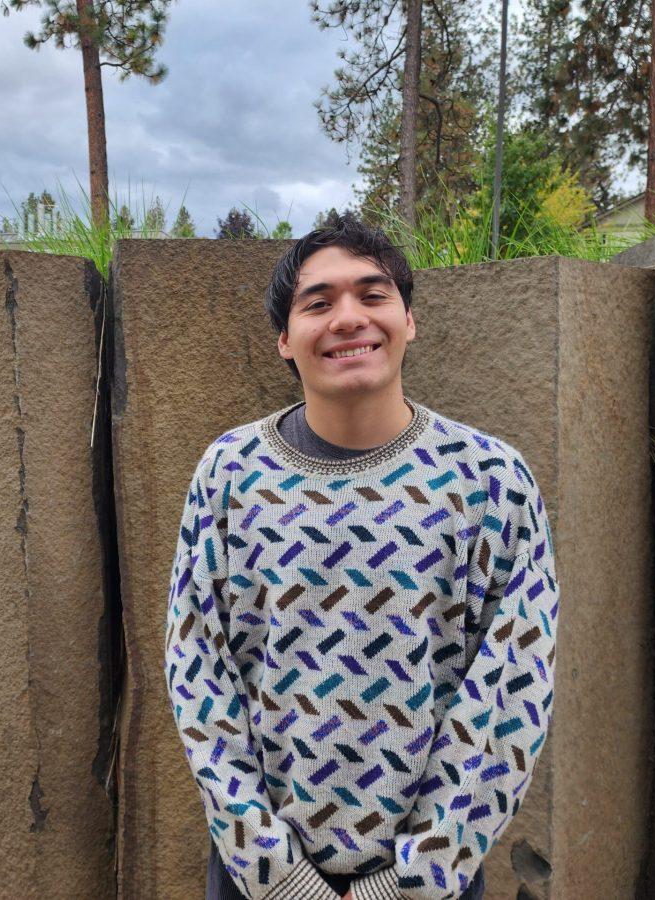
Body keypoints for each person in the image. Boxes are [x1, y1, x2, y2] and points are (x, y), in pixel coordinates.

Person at [162, 214, 559, 900]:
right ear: (285, 340)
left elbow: (509, 693)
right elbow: (198, 672)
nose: (348, 318)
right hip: (257, 881)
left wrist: (410, 880)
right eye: (318, 303)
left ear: (410, 321)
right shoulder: (229, 474)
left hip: (432, 884)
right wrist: (274, 872)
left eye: (373, 296)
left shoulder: (491, 480)